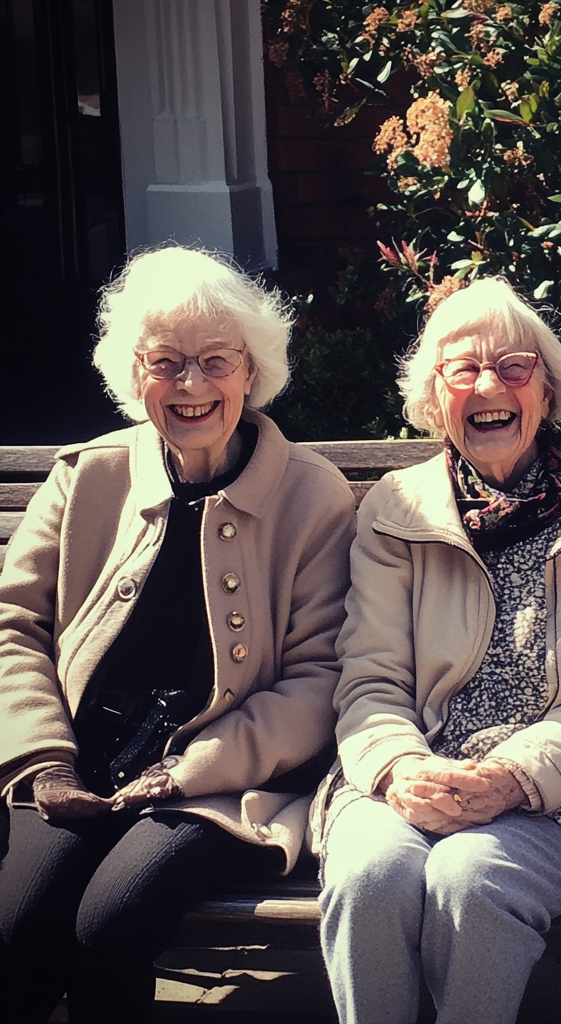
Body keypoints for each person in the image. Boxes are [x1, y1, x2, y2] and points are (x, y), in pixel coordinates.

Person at [0, 246, 356, 1023]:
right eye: (166, 363)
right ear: (135, 377)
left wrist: (187, 772)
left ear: (251, 372)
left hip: (223, 785)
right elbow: (13, 624)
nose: (191, 386)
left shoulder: (313, 497)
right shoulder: (88, 475)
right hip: (79, 765)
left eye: (216, 362)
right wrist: (46, 762)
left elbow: (320, 677)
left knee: (109, 924)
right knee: (16, 926)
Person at [313, 277, 561, 1024]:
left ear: (546, 389)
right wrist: (401, 767)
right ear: (436, 399)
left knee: (474, 876)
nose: (488, 385)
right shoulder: (393, 511)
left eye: (513, 366)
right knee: (371, 874)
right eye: (463, 369)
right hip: (415, 770)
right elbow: (369, 679)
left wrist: (514, 775)